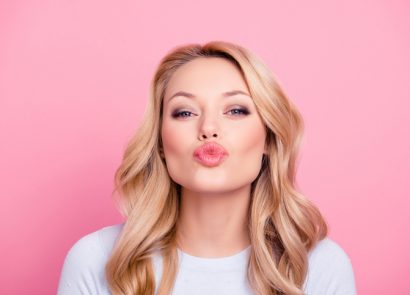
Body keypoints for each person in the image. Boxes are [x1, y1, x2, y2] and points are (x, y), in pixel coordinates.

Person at [57, 41, 357, 295]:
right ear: (160, 142)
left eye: (236, 110)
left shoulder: (318, 265)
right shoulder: (97, 259)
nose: (209, 128)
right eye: (185, 112)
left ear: (269, 136)